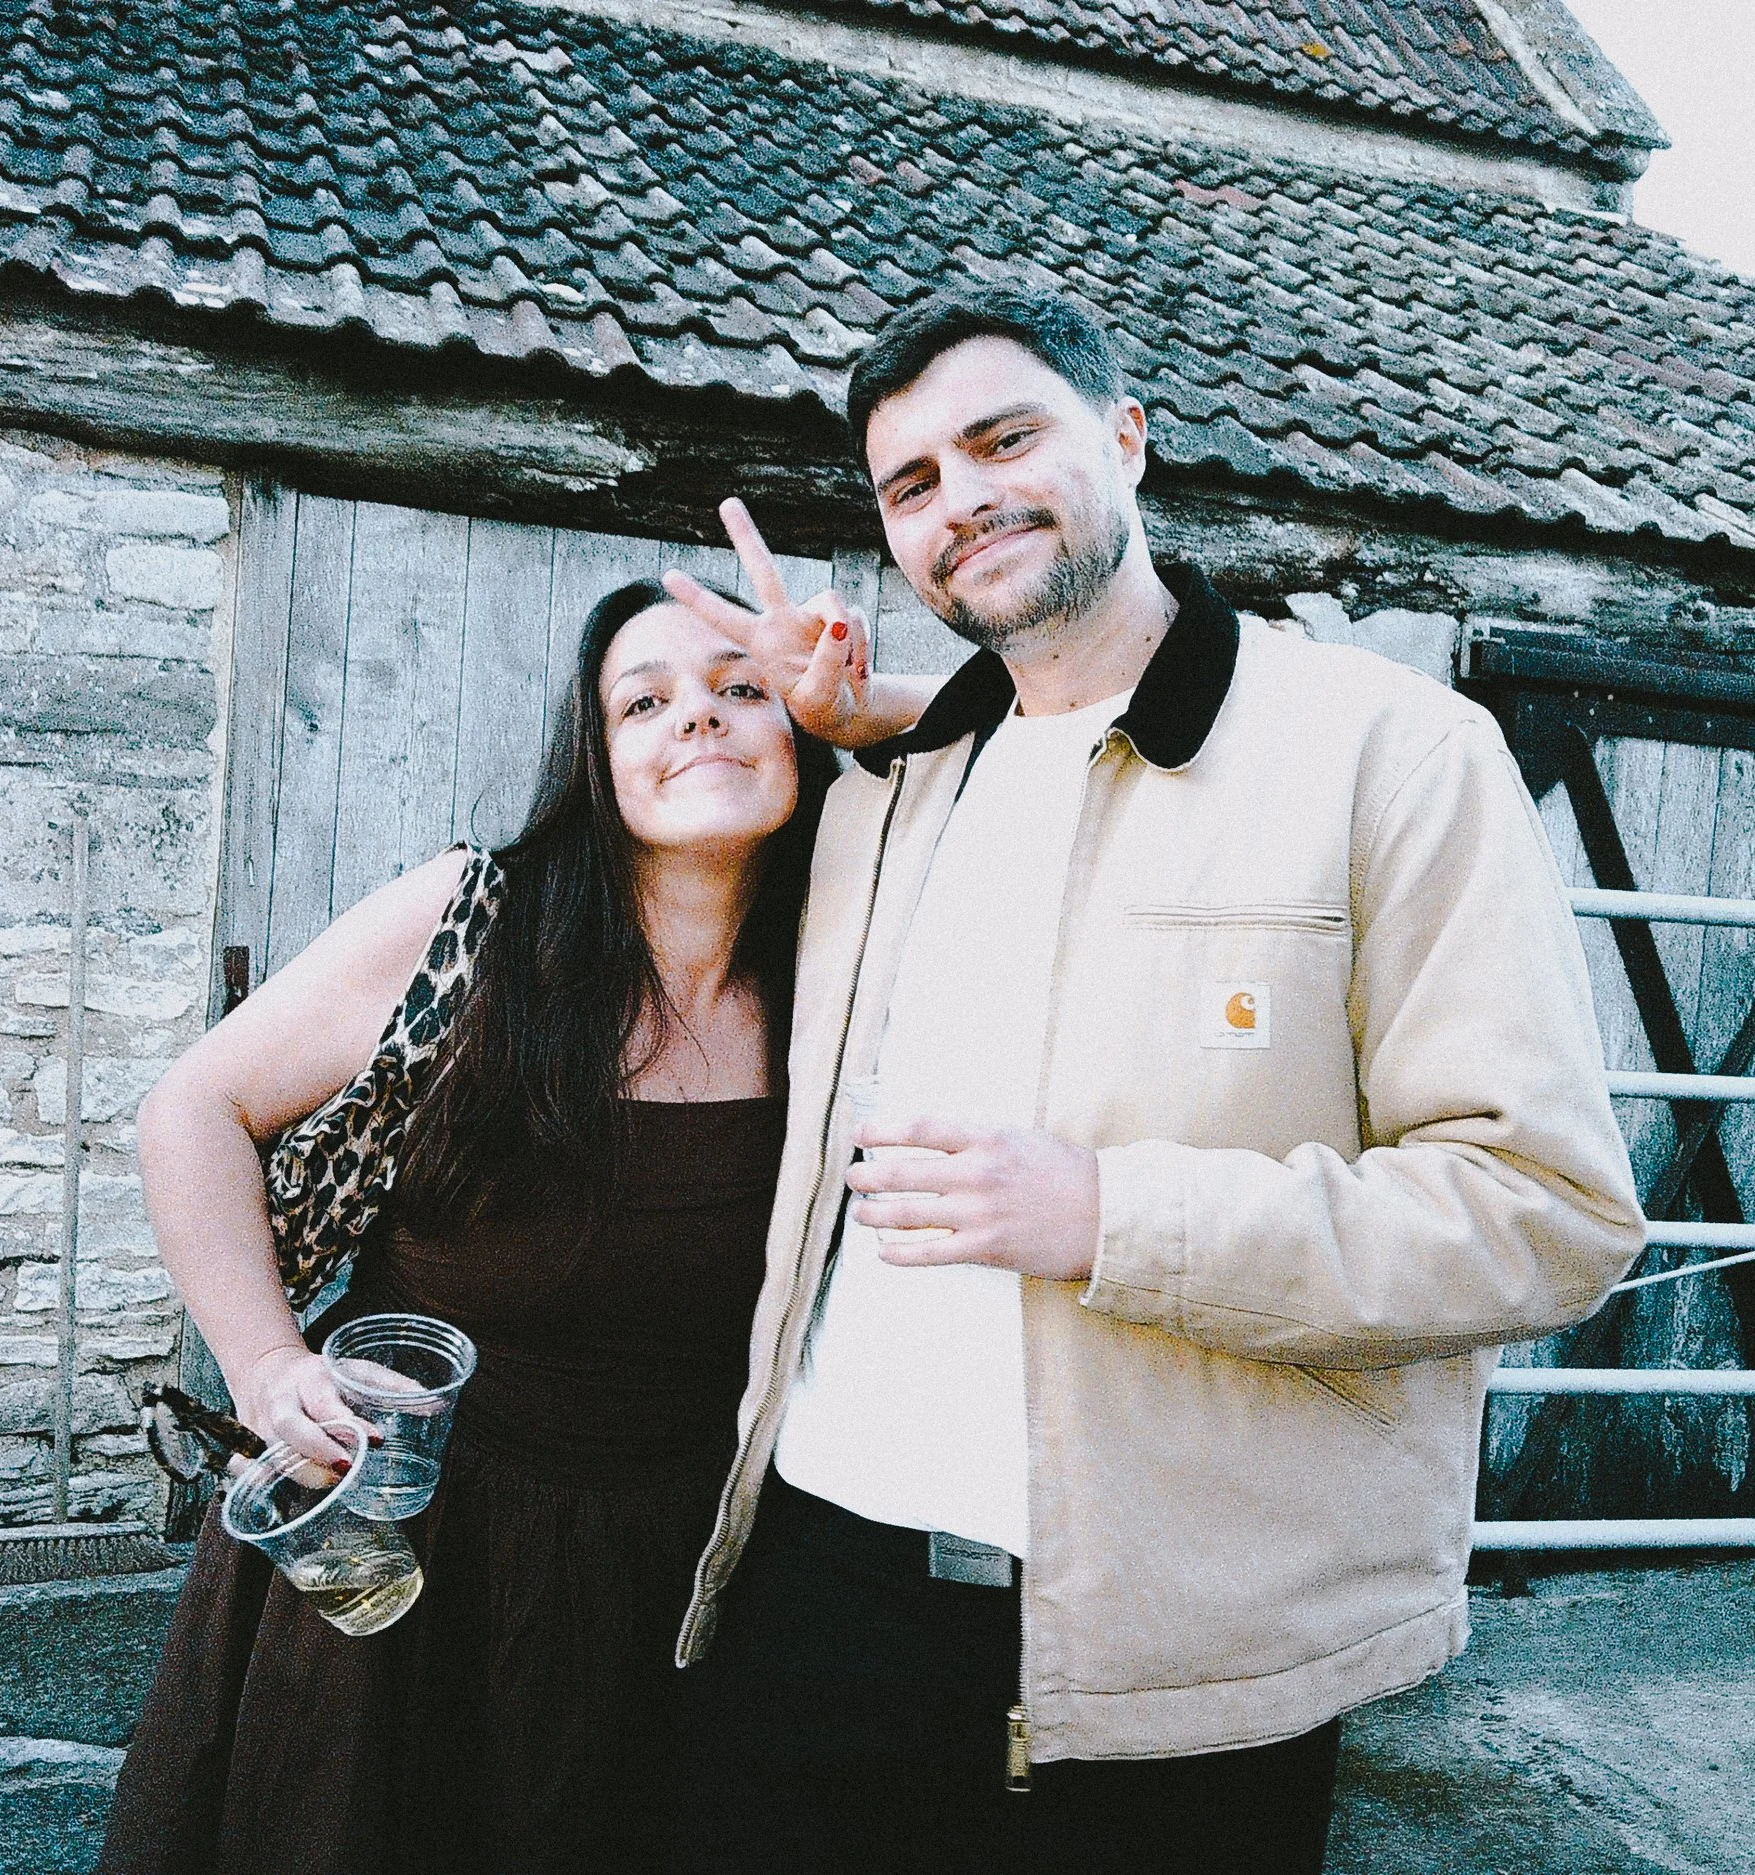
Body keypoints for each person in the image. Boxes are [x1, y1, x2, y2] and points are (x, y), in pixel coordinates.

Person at [667, 284, 1650, 1871]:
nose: (961, 500)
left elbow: (1546, 1209)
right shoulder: (897, 780)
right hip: (820, 1581)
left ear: (1126, 437)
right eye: (911, 484)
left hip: (1170, 1653)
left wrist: (1111, 1215)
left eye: (1005, 439)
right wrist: (845, 717)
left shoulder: (1394, 755)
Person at [96, 572, 922, 1874]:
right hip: (407, 1551)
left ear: (805, 729)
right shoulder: (474, 922)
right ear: (597, 761)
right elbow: (193, 1108)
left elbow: (1059, 783)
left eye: (741, 689)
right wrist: (265, 1364)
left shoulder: (846, 976)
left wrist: (882, 708)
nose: (695, 720)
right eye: (643, 702)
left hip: (680, 1583)